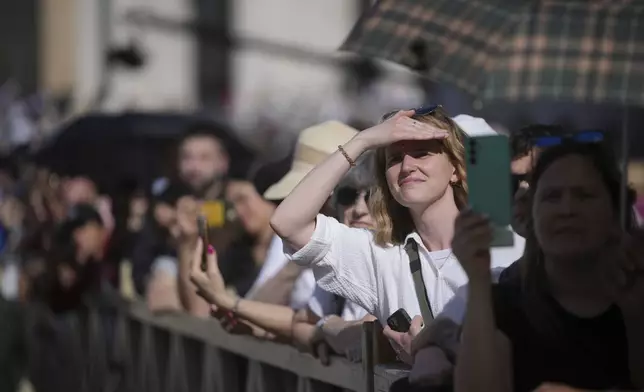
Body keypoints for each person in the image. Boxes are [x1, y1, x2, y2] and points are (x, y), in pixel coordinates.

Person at [269, 106, 523, 363]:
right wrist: (363, 141)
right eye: (394, 159)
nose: (407, 167)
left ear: (456, 169)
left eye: (421, 153)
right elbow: (288, 223)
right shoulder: (382, 253)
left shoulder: (509, 247)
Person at [453, 141, 643, 392]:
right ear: (531, 216)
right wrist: (477, 281)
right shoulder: (501, 306)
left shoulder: (635, 300)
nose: (567, 210)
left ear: (615, 212)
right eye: (552, 197)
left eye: (584, 195)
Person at [189, 153, 377, 361]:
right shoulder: (336, 258)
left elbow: (371, 335)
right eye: (347, 196)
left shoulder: (402, 254)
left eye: (374, 196)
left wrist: (325, 330)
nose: (359, 209)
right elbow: (300, 322)